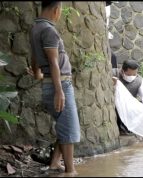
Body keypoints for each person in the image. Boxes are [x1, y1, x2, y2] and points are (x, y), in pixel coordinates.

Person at [29, 1, 80, 175]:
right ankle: (70, 171)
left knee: (64, 125)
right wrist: (59, 91)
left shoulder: (36, 28)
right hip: (60, 84)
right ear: (56, 10)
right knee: (69, 129)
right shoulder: (49, 30)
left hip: (50, 83)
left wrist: (37, 74)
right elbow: (53, 62)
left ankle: (54, 163)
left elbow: (34, 55)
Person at [112, 59, 143, 134]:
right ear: (122, 71)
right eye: (129, 75)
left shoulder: (139, 81)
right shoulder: (113, 74)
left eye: (134, 74)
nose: (132, 76)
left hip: (128, 109)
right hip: (113, 106)